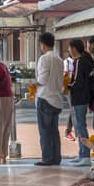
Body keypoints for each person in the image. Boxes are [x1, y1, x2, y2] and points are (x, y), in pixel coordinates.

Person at [35, 32, 64, 167]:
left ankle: (47, 158)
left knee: (45, 131)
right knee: (54, 131)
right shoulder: (59, 59)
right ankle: (56, 158)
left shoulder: (44, 58)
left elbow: (42, 79)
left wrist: (32, 84)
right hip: (57, 99)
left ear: (43, 44)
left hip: (45, 97)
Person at [64, 39, 94, 167]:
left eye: (70, 48)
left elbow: (77, 80)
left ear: (75, 48)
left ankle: (85, 155)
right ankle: (82, 153)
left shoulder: (79, 61)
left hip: (79, 97)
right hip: (81, 97)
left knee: (80, 126)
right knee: (78, 125)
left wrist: (68, 86)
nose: (69, 51)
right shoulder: (82, 61)